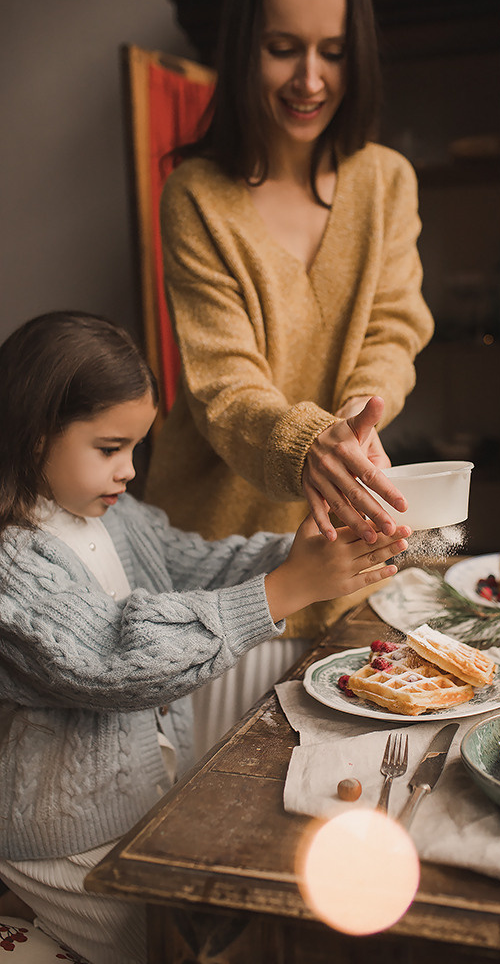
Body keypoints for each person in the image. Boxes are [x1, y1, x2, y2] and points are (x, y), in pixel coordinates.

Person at [0, 311, 409, 964]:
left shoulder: (112, 512)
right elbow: (113, 661)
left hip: (146, 799)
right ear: (33, 436)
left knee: (237, 916)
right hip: (63, 834)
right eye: (109, 449)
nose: (129, 470)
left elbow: (193, 564)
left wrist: (302, 554)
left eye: (136, 448)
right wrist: (284, 590)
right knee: (174, 951)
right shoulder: (13, 563)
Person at [144, 0, 434, 741]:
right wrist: (311, 444)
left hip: (347, 554)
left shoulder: (385, 182)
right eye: (282, 48)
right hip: (218, 566)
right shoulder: (197, 195)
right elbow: (223, 385)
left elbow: (393, 327)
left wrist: (356, 415)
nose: (309, 78)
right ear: (244, 50)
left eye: (332, 51)